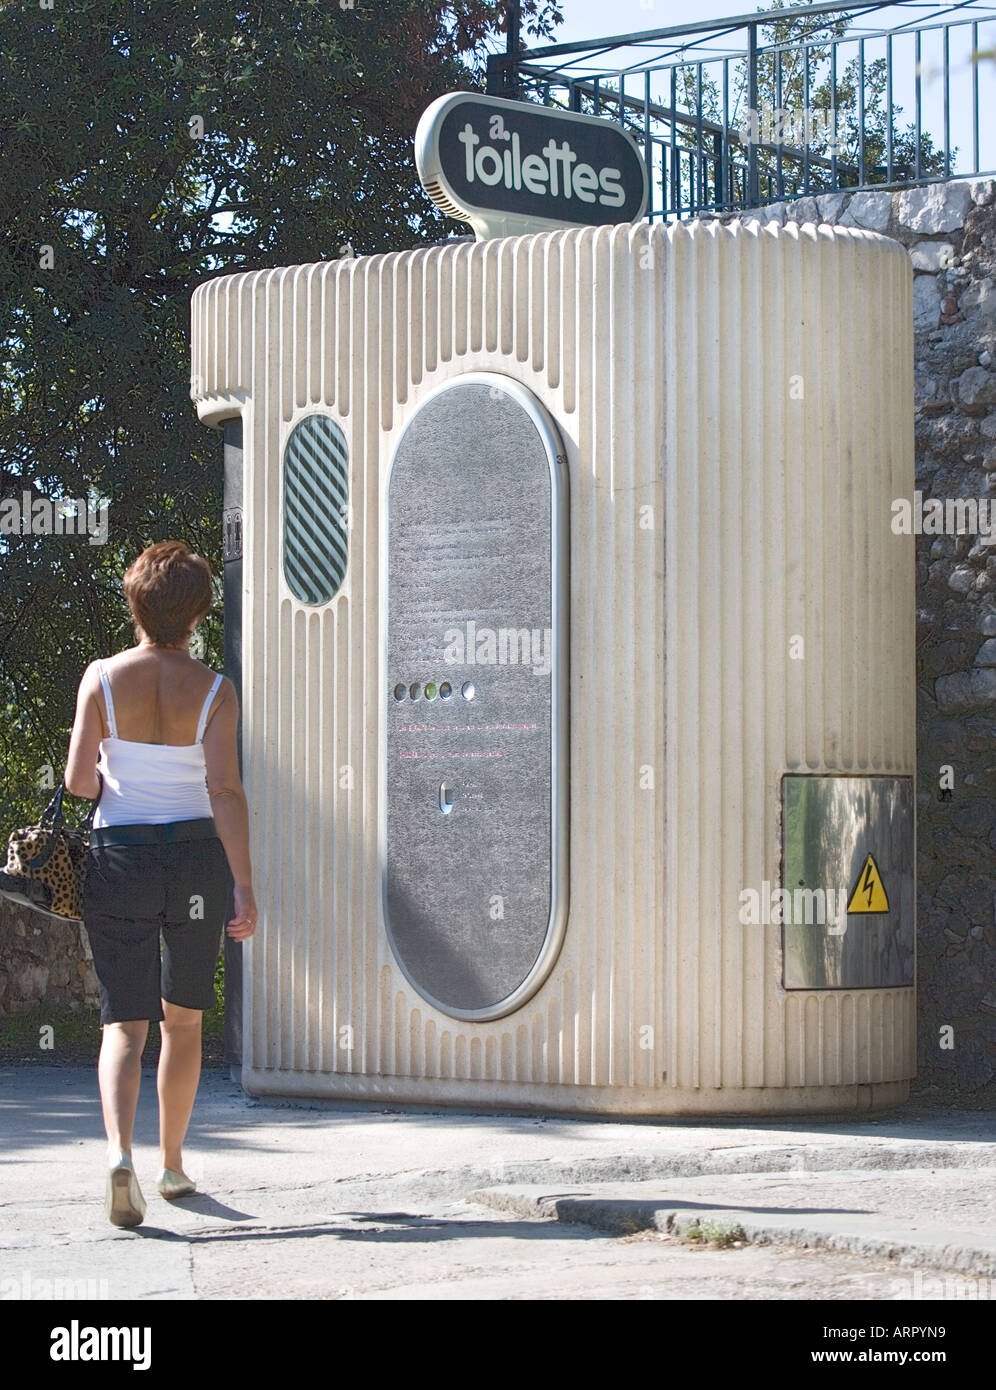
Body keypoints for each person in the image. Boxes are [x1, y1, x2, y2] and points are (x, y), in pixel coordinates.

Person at [65, 540, 256, 1228]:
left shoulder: (101, 678)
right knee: (184, 1020)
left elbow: (81, 782)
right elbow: (225, 790)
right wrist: (243, 886)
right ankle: (172, 1162)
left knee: (124, 1022)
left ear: (135, 603)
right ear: (199, 609)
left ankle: (121, 1157)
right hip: (196, 863)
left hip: (119, 857)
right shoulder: (213, 689)